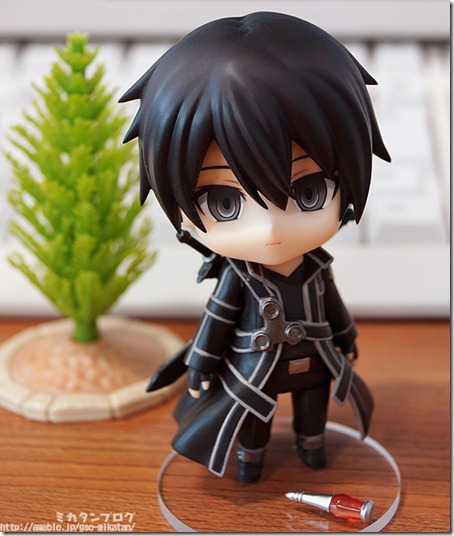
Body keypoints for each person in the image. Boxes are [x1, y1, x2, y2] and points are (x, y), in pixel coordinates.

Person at [120, 12, 391, 482]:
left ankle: (311, 443)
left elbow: (332, 305)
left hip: (316, 360)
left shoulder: (316, 266)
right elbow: (217, 320)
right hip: (254, 370)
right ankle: (250, 458)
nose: (270, 228)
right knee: (253, 419)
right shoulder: (238, 276)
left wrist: (346, 336)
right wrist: (202, 365)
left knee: (313, 410)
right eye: (224, 203)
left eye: (308, 192)